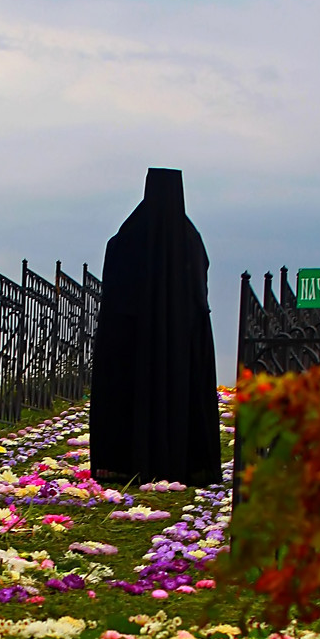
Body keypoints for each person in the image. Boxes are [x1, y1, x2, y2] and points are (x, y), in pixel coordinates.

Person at [89, 167, 222, 486]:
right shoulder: (190, 240)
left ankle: (127, 463)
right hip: (179, 344)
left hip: (134, 342)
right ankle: (183, 465)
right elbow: (198, 294)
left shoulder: (127, 238)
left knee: (133, 396)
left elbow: (114, 293)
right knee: (179, 397)